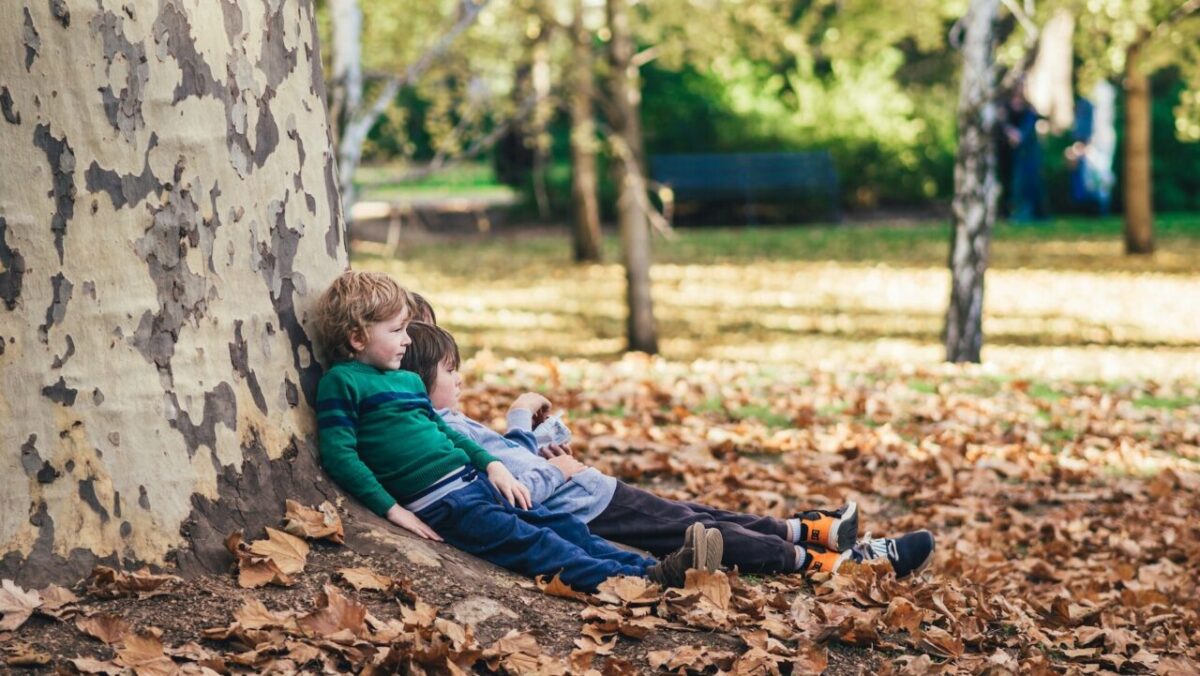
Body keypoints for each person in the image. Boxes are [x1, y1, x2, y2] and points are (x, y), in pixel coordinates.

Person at [400, 320, 937, 580]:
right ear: (420, 379)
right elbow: (515, 483)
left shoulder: (443, 420)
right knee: (704, 533)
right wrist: (535, 441)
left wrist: (542, 444)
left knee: (701, 514)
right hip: (585, 506)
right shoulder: (438, 428)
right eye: (452, 372)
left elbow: (514, 465)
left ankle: (812, 529)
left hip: (590, 491)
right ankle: (838, 564)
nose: (461, 380)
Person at [313, 270, 722, 592]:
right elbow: (340, 455)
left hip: (476, 483)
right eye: (397, 330)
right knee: (536, 546)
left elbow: (447, 434)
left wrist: (493, 467)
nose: (407, 340)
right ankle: (637, 584)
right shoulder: (343, 383)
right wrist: (391, 509)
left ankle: (659, 569)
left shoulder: (406, 381)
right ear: (357, 336)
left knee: (562, 528)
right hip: (445, 504)